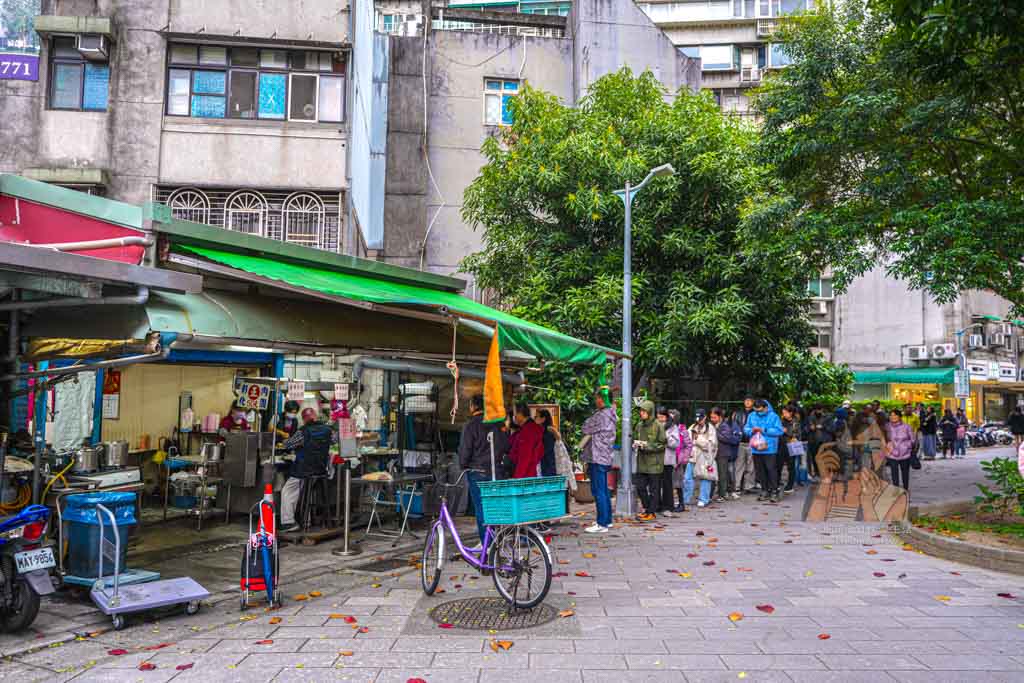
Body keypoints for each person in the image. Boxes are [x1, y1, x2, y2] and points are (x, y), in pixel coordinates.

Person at [458, 395, 508, 543]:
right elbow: (506, 446)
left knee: (482, 510)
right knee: (495, 508)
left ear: (473, 406)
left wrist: (463, 465)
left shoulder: (470, 425)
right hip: (496, 472)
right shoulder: (498, 424)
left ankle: (487, 544)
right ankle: (496, 542)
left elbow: (465, 452)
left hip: (478, 473)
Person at [279, 408, 335, 532]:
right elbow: (334, 441)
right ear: (315, 416)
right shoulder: (328, 430)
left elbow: (288, 445)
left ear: (304, 419)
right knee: (306, 491)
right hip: (320, 470)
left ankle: (288, 523)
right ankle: (306, 520)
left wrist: (283, 441)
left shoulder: (303, 432)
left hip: (303, 470)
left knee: (287, 491)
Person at [582, 391, 616, 533]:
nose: (596, 400)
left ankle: (601, 523)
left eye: (597, 398)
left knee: (598, 490)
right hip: (605, 456)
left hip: (597, 456)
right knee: (604, 490)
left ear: (602, 400)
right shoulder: (611, 414)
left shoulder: (601, 415)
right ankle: (607, 520)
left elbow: (585, 427)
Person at [744, 399, 784, 503]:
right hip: (756, 448)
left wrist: (764, 430)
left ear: (766, 408)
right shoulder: (751, 416)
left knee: (771, 469)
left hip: (770, 448)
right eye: (756, 411)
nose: (758, 413)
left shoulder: (774, 416)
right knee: (760, 471)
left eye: (760, 411)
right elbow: (746, 428)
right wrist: (751, 431)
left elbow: (779, 431)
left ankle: (774, 491)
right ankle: (764, 490)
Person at [633, 400, 667, 521]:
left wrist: (648, 446)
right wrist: (636, 444)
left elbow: (663, 444)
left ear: (650, 412)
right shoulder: (639, 425)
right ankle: (647, 509)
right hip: (642, 462)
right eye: (641, 411)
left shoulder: (658, 425)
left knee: (654, 490)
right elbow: (635, 438)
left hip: (655, 464)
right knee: (640, 487)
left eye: (644, 411)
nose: (641, 413)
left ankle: (651, 512)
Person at [690, 409, 718, 508]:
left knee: (706, 477)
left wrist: (698, 439)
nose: (699, 421)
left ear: (705, 417)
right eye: (697, 419)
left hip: (705, 457)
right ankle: (687, 499)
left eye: (701, 419)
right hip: (693, 456)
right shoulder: (693, 427)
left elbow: (711, 445)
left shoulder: (710, 428)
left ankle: (703, 499)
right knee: (688, 478)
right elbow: (688, 440)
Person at [508, 403, 544, 478]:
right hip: (529, 473)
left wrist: (517, 478)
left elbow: (525, 457)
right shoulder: (529, 428)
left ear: (520, 414)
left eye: (515, 414)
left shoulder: (528, 431)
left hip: (527, 475)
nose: (513, 417)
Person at [666, 408, 692, 512]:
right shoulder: (667, 428)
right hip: (668, 458)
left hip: (678, 460)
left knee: (678, 483)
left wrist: (683, 458)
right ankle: (669, 504)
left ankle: (681, 503)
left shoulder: (682, 429)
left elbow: (688, 445)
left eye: (672, 416)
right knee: (668, 483)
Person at [710, 407, 738, 502]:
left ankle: (722, 494)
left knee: (722, 474)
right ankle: (711, 494)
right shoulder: (712, 426)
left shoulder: (724, 426)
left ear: (720, 417)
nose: (712, 419)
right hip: (714, 453)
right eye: (711, 417)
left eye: (714, 417)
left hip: (723, 453)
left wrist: (715, 433)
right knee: (712, 474)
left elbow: (727, 438)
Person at [656, 407, 678, 517]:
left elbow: (675, 443)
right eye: (658, 417)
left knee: (667, 484)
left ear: (666, 417)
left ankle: (668, 506)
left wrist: (665, 437)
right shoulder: (655, 425)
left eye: (662, 417)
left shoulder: (673, 427)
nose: (660, 419)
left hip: (667, 460)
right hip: (656, 460)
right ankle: (657, 506)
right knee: (655, 484)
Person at [885, 410, 914, 491]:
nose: (892, 417)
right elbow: (883, 438)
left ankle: (905, 489)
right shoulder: (886, 427)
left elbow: (912, 440)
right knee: (894, 473)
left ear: (899, 416)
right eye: (890, 415)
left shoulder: (907, 426)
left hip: (905, 454)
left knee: (905, 473)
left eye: (894, 415)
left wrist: (906, 446)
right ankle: (896, 490)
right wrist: (887, 447)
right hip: (892, 454)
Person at [733, 397, 757, 494]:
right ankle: (737, 486)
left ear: (753, 402)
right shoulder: (738, 413)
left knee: (751, 466)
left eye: (750, 400)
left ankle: (749, 486)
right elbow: (734, 426)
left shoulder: (756, 414)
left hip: (752, 442)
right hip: (740, 442)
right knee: (739, 465)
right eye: (746, 400)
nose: (747, 402)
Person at [806, 405, 834, 482]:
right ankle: (817, 473)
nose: (818, 412)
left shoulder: (828, 417)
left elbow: (832, 429)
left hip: (824, 441)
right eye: (816, 410)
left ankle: (826, 474)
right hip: (813, 441)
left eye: (819, 410)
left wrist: (823, 427)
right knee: (815, 458)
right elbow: (805, 429)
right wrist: (810, 428)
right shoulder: (810, 418)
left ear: (822, 409)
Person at [779, 404, 800, 494]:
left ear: (791, 413)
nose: (784, 414)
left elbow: (797, 435)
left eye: (785, 412)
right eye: (783, 413)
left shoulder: (796, 422)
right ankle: (777, 483)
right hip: (781, 446)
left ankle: (790, 485)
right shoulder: (781, 421)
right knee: (778, 465)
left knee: (791, 467)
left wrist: (786, 431)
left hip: (792, 446)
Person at [535, 409, 558, 477]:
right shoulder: (543, 430)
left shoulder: (548, 431)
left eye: (537, 416)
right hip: (546, 464)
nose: (535, 418)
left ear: (543, 419)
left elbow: (548, 451)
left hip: (548, 465)